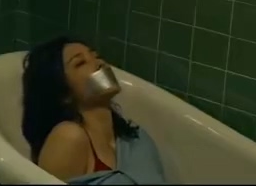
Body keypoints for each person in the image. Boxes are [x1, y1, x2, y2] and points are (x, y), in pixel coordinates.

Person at [21, 36, 167, 184]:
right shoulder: (69, 137)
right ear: (63, 94)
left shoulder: (135, 139)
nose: (99, 63)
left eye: (97, 56)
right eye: (80, 63)